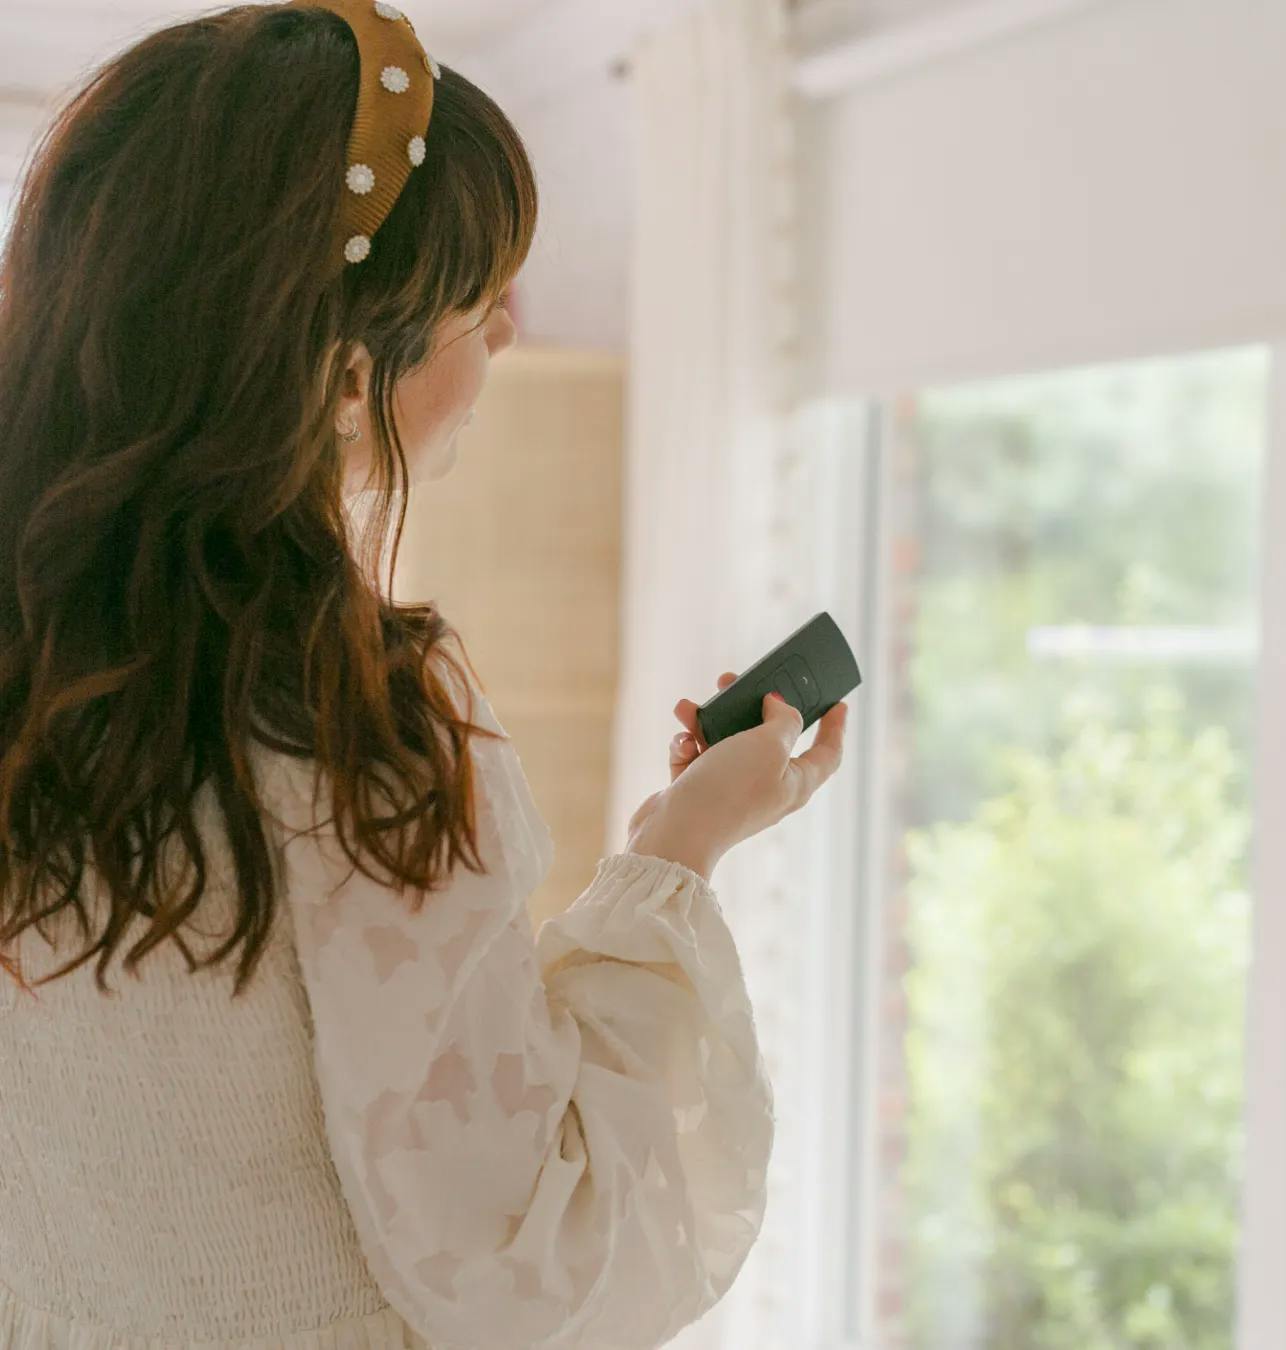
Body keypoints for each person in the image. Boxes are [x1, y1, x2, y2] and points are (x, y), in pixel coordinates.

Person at [0, 2, 849, 1346]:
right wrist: (681, 844)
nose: (507, 333)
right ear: (344, 376)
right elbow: (518, 1260)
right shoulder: (355, 721)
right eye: (475, 302)